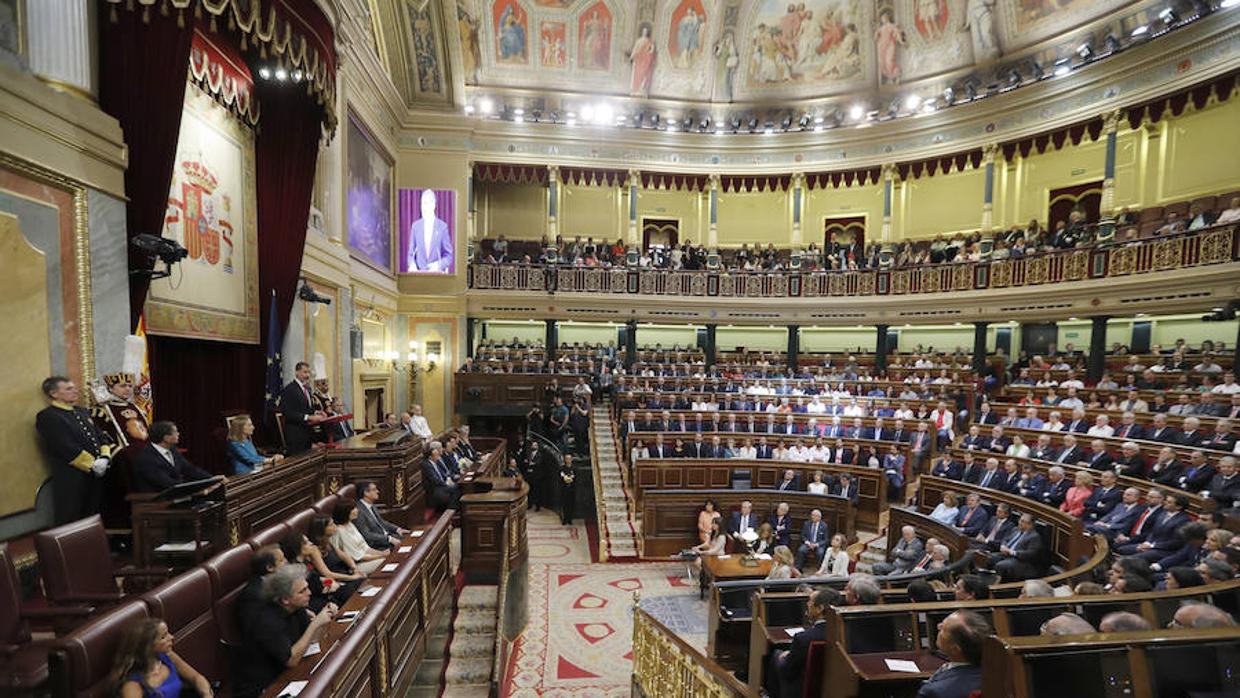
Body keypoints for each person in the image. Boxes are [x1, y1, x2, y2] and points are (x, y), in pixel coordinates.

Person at [233, 565, 336, 698]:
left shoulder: (297, 608)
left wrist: (324, 620)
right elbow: (290, 660)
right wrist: (315, 625)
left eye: (307, 587)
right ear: (285, 599)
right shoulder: (266, 621)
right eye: (302, 591)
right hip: (263, 688)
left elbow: (312, 640)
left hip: (287, 674)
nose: (309, 593)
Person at [36, 375, 116, 524]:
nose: (75, 391)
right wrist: (92, 464)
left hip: (96, 473)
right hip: (72, 476)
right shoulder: (48, 416)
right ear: (54, 393)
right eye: (68, 389)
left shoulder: (82, 411)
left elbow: (101, 436)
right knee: (72, 516)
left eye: (73, 387)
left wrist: (105, 457)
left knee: (94, 514)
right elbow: (64, 446)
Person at [109, 618, 213, 698]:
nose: (171, 637)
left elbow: (196, 678)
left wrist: (206, 695)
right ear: (148, 646)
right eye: (163, 637)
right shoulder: (131, 685)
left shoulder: (167, 656)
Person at [772, 589, 837, 698]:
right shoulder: (844, 634)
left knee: (776, 655)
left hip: (802, 690)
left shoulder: (803, 638)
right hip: (833, 687)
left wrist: (786, 656)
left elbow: (788, 671)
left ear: (820, 608)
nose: (807, 604)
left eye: (810, 601)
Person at [915, 610, 989, 698]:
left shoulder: (932, 692)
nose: (938, 626)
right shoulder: (1000, 676)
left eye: (943, 629)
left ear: (955, 649)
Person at [130, 421, 214, 493]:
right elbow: (167, 483)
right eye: (175, 432)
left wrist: (212, 479)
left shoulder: (173, 450)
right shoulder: (147, 458)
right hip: (157, 501)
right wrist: (197, 490)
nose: (178, 434)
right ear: (166, 438)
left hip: (177, 495)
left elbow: (190, 469)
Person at [237, 545, 285, 635]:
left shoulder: (275, 582)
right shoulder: (253, 595)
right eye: (282, 560)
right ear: (270, 568)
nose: (287, 562)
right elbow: (255, 630)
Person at [329, 501, 387, 575]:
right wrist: (381, 555)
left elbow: (365, 547)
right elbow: (358, 557)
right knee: (384, 561)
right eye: (353, 509)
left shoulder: (350, 524)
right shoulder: (340, 531)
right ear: (345, 512)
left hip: (367, 558)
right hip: (355, 565)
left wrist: (382, 553)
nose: (357, 510)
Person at [406, 189, 454, 272]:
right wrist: (412, 265)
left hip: (436, 274)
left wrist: (438, 265)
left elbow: (449, 256)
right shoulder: (415, 226)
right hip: (419, 274)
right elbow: (410, 254)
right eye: (422, 203)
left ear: (433, 205)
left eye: (426, 203)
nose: (423, 207)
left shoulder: (442, 227)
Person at [354, 480, 408, 550]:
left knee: (415, 539)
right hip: (378, 545)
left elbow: (381, 522)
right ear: (366, 493)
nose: (377, 491)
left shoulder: (371, 505)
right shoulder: (359, 511)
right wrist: (389, 539)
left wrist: (397, 529)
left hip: (387, 537)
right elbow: (367, 535)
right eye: (374, 489)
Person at [993, 514, 1048, 582]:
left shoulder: (1035, 537)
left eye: (1022, 521)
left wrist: (1012, 552)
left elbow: (1031, 554)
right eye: (1020, 520)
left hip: (1021, 561)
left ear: (1030, 524)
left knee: (1000, 566)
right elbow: (1005, 539)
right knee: (991, 557)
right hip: (1007, 555)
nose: (1019, 522)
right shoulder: (1015, 529)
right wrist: (1003, 546)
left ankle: (996, 586)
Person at [557, 457, 576, 524]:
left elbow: (577, 478)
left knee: (571, 505)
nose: (568, 460)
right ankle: (565, 519)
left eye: (569, 459)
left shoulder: (574, 468)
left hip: (572, 489)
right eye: (566, 459)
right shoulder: (562, 468)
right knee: (564, 504)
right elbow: (559, 478)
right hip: (564, 489)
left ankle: (570, 519)